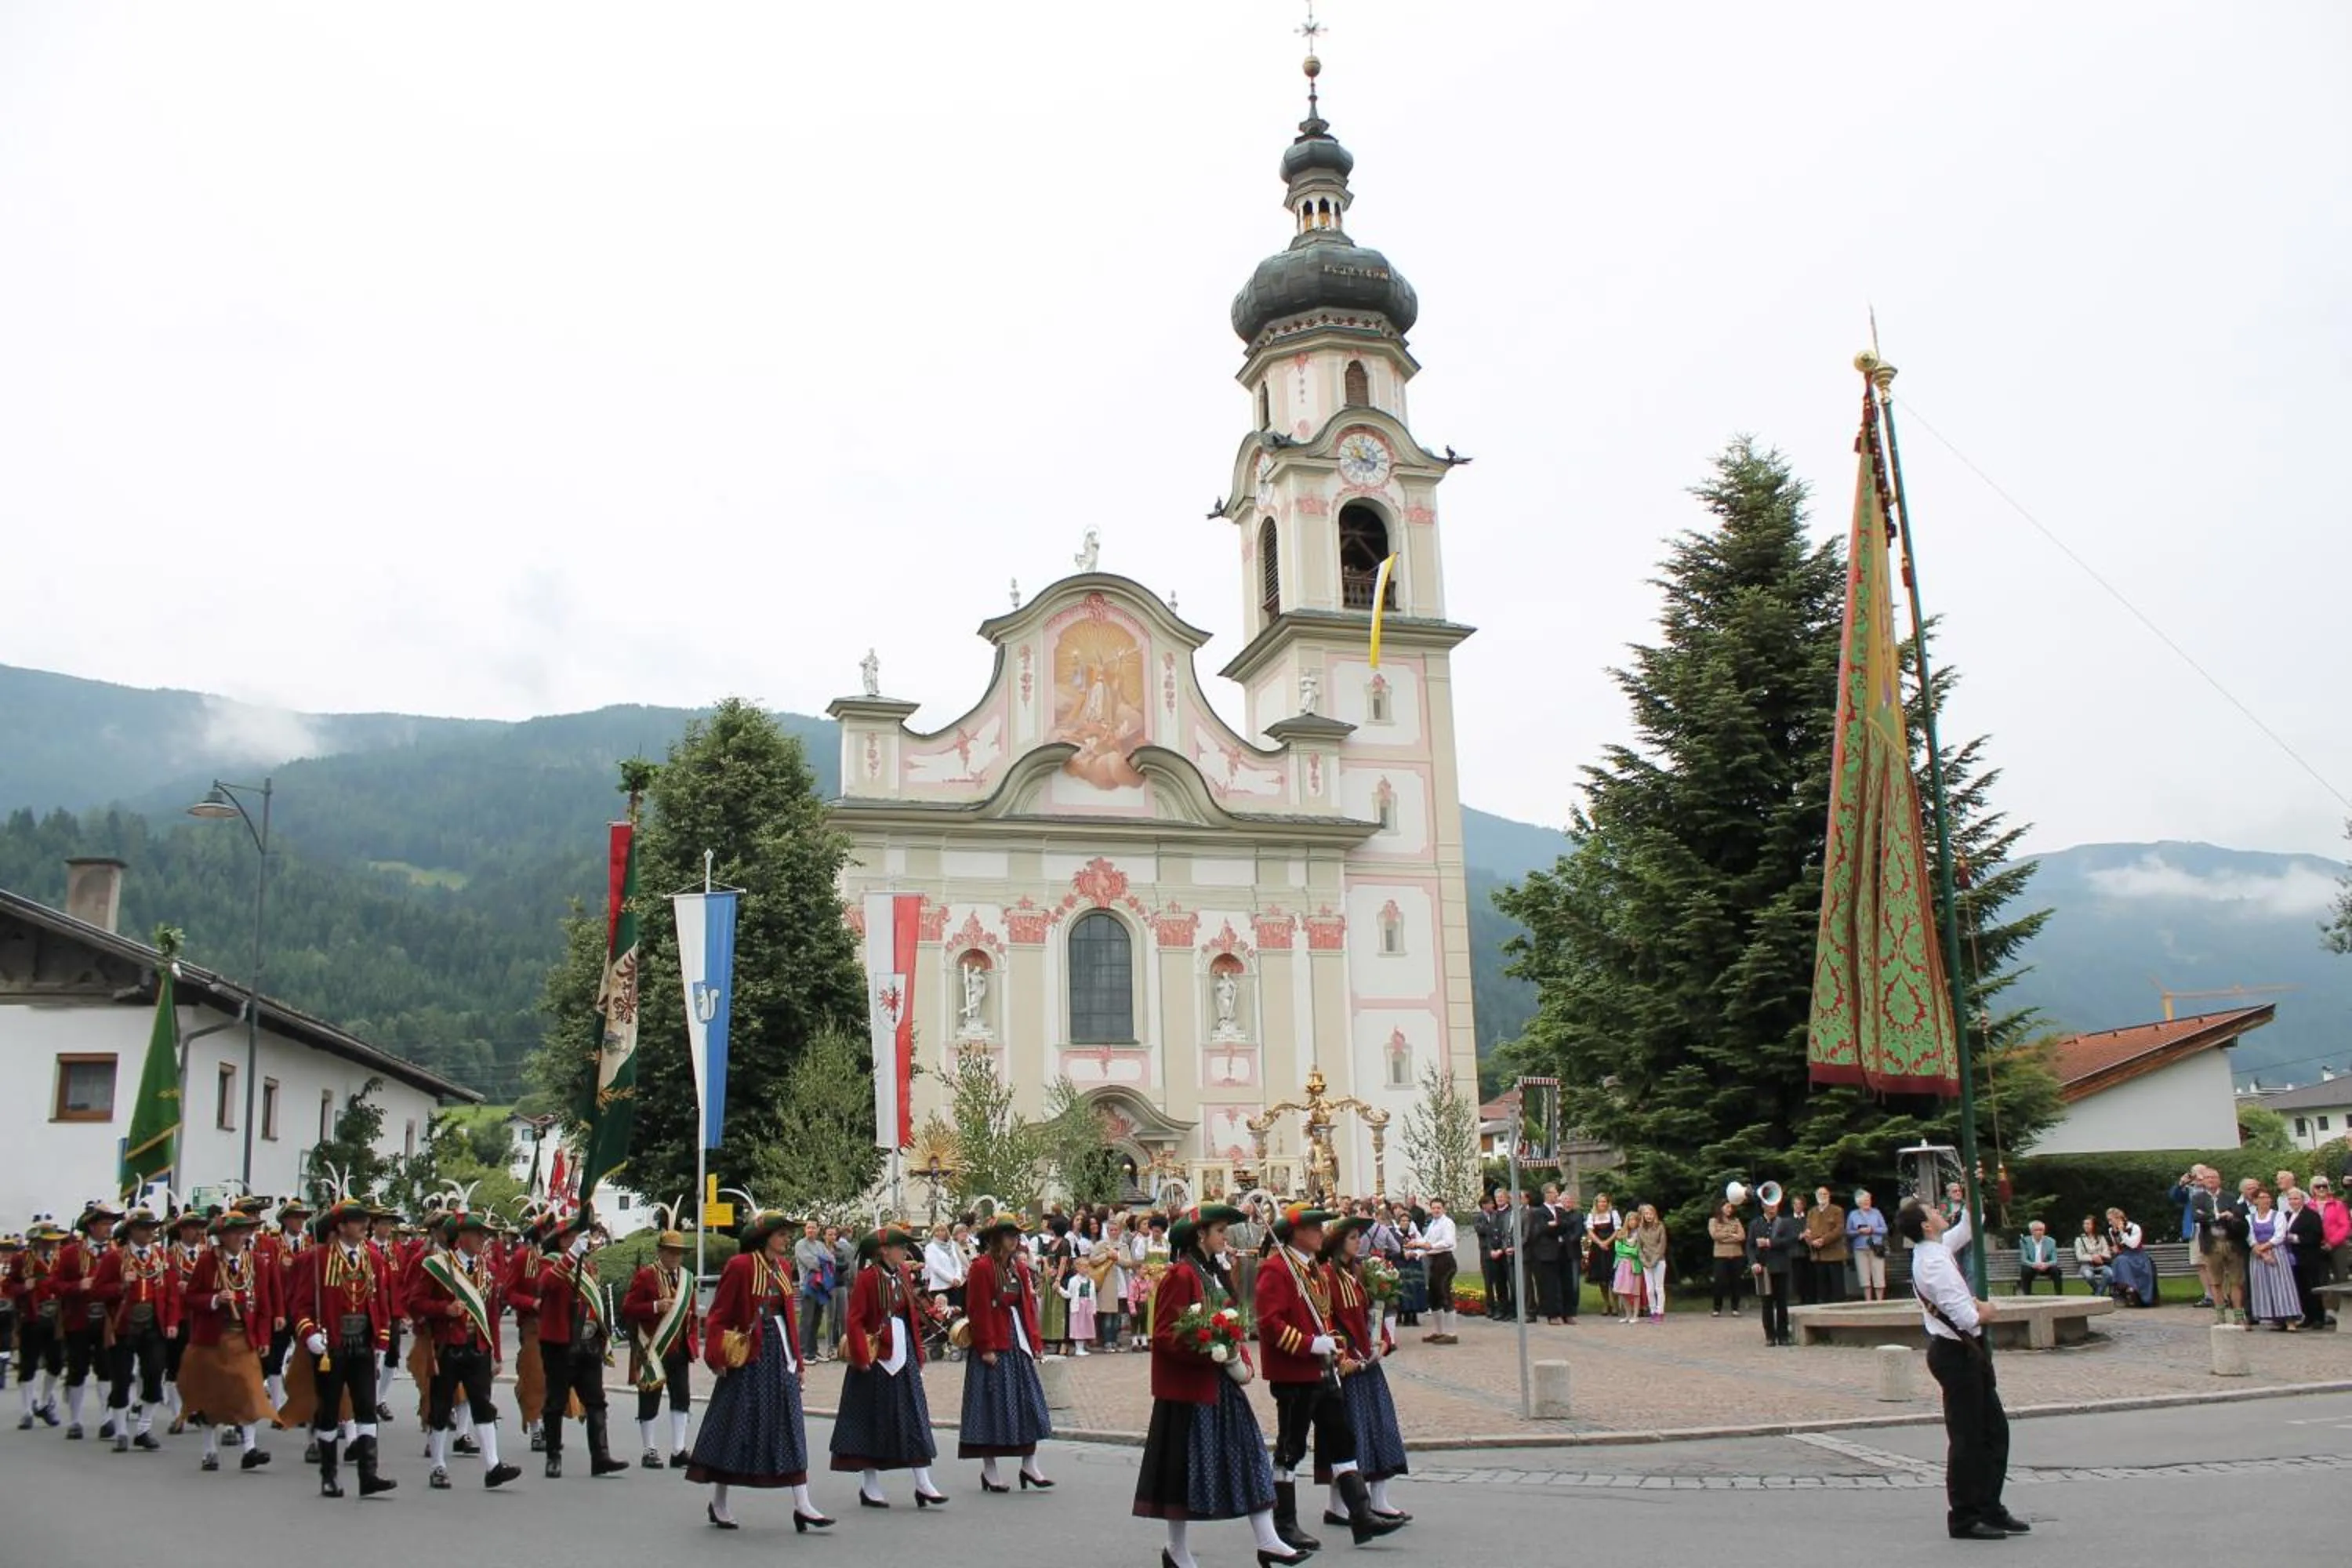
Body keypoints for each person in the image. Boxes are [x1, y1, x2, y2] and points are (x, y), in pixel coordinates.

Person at [1134, 1203, 1308, 1568]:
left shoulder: (1211, 1273)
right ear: (1201, 1235)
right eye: (1220, 1232)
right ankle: (1176, 1549)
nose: (1224, 1238)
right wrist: (1211, 1349)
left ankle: (1269, 1540)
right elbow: (1165, 1335)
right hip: (1189, 1390)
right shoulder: (1181, 1275)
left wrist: (1234, 1355)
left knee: (1249, 1456)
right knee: (1180, 1472)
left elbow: (1228, 1324)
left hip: (1220, 1385)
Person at [1258, 1203, 1399, 1551]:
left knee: (1342, 1439)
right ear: (1297, 1233)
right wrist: (1310, 1344)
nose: (1323, 1233)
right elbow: (1270, 1324)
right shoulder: (1277, 1269)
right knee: (1290, 1449)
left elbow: (1325, 1316)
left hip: (1323, 1370)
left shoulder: (1311, 1270)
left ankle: (1361, 1514)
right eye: (1316, 1227)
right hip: (1294, 1373)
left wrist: (1334, 1344)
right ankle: (1285, 1523)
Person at [687, 1208, 830, 1533]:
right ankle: (720, 1501)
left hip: (779, 1352)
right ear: (765, 1237)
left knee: (790, 1421)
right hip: (748, 1354)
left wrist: (798, 1360)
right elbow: (719, 1315)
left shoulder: (782, 1266)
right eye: (781, 1234)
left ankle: (802, 1503)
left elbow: (790, 1318)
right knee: (735, 1422)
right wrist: (717, 1357)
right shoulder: (739, 1267)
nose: (786, 1238)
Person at [1898, 1200, 2023, 1541]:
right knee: (1968, 1438)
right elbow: (1968, 1317)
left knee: (1993, 1432)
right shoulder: (1932, 1264)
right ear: (1926, 1226)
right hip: (1956, 1354)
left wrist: (1971, 1191)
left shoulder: (1935, 1249)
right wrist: (1988, 1310)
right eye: (1932, 1211)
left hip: (1965, 1353)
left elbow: (1968, 1227)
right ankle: (1965, 1517)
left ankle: (1989, 1507)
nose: (1939, 1211)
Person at [284, 1194, 398, 1497]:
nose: (365, 1226)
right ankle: (329, 1476)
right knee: (329, 1410)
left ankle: (368, 1475)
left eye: (366, 1221)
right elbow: (300, 1304)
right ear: (342, 1226)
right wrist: (309, 1333)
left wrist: (383, 1336)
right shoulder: (317, 1258)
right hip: (330, 1345)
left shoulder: (373, 1258)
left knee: (366, 1408)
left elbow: (379, 1300)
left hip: (362, 1342)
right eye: (359, 1221)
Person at [829, 1227, 946, 1507]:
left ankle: (923, 1482)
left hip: (902, 1349)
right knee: (872, 1417)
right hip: (875, 1354)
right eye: (900, 1246)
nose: (905, 1251)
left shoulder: (904, 1274)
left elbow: (910, 1316)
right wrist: (861, 1357)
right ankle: (870, 1486)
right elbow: (855, 1320)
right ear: (883, 1251)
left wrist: (918, 1352)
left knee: (913, 1414)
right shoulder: (868, 1279)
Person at [408, 1208, 521, 1490]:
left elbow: (492, 1314)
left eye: (483, 1234)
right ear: (461, 1238)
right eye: (477, 1234)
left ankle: (493, 1465)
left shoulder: (489, 1270)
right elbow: (416, 1303)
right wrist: (443, 1309)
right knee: (441, 1406)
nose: (483, 1239)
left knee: (484, 1405)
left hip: (477, 1346)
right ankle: (437, 1465)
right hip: (448, 1346)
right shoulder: (437, 1266)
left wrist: (495, 1353)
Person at [1318, 1215, 1410, 1530]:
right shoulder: (1327, 1275)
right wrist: (1342, 1356)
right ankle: (1338, 1505)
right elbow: (1326, 1320)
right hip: (1347, 1365)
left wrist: (1383, 1342)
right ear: (1339, 1241)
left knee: (1380, 1427)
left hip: (1367, 1360)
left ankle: (1379, 1498)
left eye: (1360, 1236)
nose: (1359, 1242)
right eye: (1353, 1237)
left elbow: (1373, 1310)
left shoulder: (1357, 1271)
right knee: (1349, 1435)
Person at [959, 1216, 1053, 1493]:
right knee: (991, 1405)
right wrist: (985, 1347)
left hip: (1017, 1339)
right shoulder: (982, 1268)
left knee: (1028, 1401)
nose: (1015, 1240)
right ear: (995, 1239)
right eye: (1008, 1235)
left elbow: (1027, 1307)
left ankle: (1029, 1464)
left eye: (1016, 1236)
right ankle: (990, 1470)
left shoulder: (1018, 1268)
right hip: (995, 1340)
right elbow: (978, 1309)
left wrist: (1034, 1342)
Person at [535, 1208, 629, 1479]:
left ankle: (600, 1456)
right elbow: (547, 1284)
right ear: (564, 1240)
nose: (583, 1240)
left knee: (596, 1401)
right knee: (555, 1402)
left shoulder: (586, 1266)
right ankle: (553, 1456)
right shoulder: (549, 1262)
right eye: (576, 1236)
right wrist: (572, 1256)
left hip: (588, 1343)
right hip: (560, 1343)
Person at [178, 1211, 274, 1473]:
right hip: (214, 1338)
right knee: (211, 1396)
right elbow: (191, 1298)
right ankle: (209, 1451)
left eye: (243, 1232)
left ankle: (250, 1449)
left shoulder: (256, 1262)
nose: (240, 1237)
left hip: (244, 1335)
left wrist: (264, 1337)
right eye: (234, 1232)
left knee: (250, 1389)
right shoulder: (208, 1262)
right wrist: (214, 1299)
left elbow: (264, 1303)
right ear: (222, 1237)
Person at [93, 1205, 176, 1453]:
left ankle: (143, 1428)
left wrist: (172, 1322)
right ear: (131, 1231)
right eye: (144, 1228)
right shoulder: (115, 1258)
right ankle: (120, 1431)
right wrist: (119, 1286)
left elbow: (172, 1295)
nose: (150, 1232)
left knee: (153, 1374)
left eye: (152, 1228)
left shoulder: (162, 1257)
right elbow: (97, 1291)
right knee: (121, 1379)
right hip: (123, 1326)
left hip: (153, 1325)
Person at [622, 1226, 699, 1468]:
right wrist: (655, 1306)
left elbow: (692, 1315)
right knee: (649, 1398)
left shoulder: (687, 1277)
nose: (675, 1257)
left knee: (681, 1398)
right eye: (671, 1252)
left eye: (679, 1253)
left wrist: (693, 1344)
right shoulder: (645, 1276)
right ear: (660, 1252)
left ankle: (678, 1450)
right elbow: (628, 1309)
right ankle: (649, 1449)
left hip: (679, 1348)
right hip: (653, 1346)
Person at [53, 1200, 122, 1440]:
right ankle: (75, 1420)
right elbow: (56, 1285)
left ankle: (106, 1418)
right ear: (91, 1226)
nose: (109, 1228)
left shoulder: (117, 1252)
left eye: (111, 1224)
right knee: (77, 1369)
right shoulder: (70, 1253)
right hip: (78, 1318)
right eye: (104, 1224)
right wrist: (76, 1286)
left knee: (106, 1369)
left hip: (107, 1320)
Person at [8, 1219, 66, 1428]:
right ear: (37, 1241)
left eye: (53, 1241)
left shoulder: (61, 1258)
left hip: (55, 1317)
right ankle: (26, 1411)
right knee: (29, 1364)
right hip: (32, 1316)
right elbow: (9, 1286)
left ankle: (43, 1402)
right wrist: (24, 1287)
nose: (51, 1245)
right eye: (46, 1241)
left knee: (56, 1363)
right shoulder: (21, 1259)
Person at [503, 1210, 549, 1450]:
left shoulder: (558, 1259)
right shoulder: (523, 1257)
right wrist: (532, 1303)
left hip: (557, 1325)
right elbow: (508, 1293)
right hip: (532, 1325)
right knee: (534, 1375)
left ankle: (550, 1424)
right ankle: (535, 1428)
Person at [1745, 1192, 1798, 1348]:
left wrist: (1769, 1242)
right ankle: (1770, 1335)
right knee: (1766, 1303)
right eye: (1769, 1205)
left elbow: (1790, 1241)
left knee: (1782, 1302)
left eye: (1774, 1205)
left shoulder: (1785, 1223)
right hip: (1763, 1268)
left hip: (1781, 1266)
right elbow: (1750, 1246)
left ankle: (1783, 1335)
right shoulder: (1755, 1224)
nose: (1772, 1208)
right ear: (1763, 1206)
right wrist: (1753, 1262)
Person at [2245, 1190, 2300, 1329]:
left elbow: (2280, 1235)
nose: (2266, 1200)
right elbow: (2250, 1237)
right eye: (2262, 1197)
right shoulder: (2249, 1218)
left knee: (2282, 1285)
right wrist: (2262, 1252)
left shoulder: (2279, 1215)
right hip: (2258, 1255)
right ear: (2255, 1201)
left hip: (2276, 1252)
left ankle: (2290, 1319)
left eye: (2268, 1197)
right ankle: (2275, 1318)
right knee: (2264, 1286)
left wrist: (2266, 1247)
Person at [1408, 1197, 1459, 1345]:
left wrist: (1430, 1247)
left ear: (1444, 1209)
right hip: (1435, 1262)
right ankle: (1439, 1331)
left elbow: (1448, 1242)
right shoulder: (1432, 1224)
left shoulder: (1447, 1223)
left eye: (1439, 1208)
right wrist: (1416, 1252)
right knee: (1434, 1297)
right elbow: (1426, 1242)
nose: (1436, 1210)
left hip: (1445, 1261)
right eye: (1434, 1208)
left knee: (1445, 1294)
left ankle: (1451, 1333)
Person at [2281, 1188, 2328, 1330]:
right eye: (2291, 1199)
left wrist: (2296, 1238)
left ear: (2302, 1200)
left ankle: (2319, 1317)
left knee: (2311, 1287)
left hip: (2309, 1256)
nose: (2293, 1202)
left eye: (2296, 1199)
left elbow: (2317, 1236)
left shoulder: (2311, 1215)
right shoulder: (2286, 1215)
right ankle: (2307, 1316)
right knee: (2300, 1287)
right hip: (2292, 1257)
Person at [794, 1221, 835, 1361]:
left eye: (813, 1228)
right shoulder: (800, 1245)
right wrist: (824, 1261)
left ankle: (813, 1351)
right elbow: (811, 1263)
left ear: (818, 1230)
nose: (811, 1230)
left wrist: (825, 1261)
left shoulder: (820, 1245)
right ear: (805, 1230)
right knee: (806, 1320)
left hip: (821, 1287)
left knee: (817, 1320)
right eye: (808, 1227)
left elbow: (832, 1260)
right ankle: (802, 1353)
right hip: (808, 1287)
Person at [2105, 1209, 2158, 1307]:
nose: (2110, 1223)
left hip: (2137, 1257)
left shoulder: (2134, 1228)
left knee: (2120, 1261)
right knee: (2119, 1260)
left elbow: (2133, 1245)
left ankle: (2132, 1290)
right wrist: (2115, 1248)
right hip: (2124, 1256)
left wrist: (2122, 1232)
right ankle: (2124, 1290)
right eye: (2109, 1220)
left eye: (2111, 1220)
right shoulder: (2111, 1230)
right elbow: (2118, 1246)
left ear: (2119, 1218)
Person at [1806, 1187, 1849, 1305]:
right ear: (1816, 1196)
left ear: (1829, 1196)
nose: (1822, 1196)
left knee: (1837, 1286)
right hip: (1818, 1255)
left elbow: (1839, 1230)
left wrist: (1823, 1240)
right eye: (1820, 1194)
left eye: (1825, 1194)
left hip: (1834, 1254)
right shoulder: (1812, 1212)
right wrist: (1811, 1241)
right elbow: (1807, 1230)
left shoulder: (1837, 1210)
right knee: (1822, 1287)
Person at [1847, 1191, 1889, 1302]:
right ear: (1858, 1202)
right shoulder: (1853, 1214)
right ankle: (1868, 1301)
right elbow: (1848, 1232)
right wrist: (1859, 1231)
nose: (1867, 1202)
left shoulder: (1877, 1213)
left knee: (1879, 1273)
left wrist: (1872, 1230)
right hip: (1860, 1248)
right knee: (1864, 1275)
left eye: (1868, 1200)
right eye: (1864, 1201)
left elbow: (1885, 1229)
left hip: (1876, 1248)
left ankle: (1880, 1301)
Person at [1707, 1201, 1746, 1316]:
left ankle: (1735, 1308)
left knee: (1736, 1282)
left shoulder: (1736, 1221)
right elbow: (1715, 1236)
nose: (1730, 1209)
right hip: (1721, 1256)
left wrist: (1725, 1236)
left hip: (1736, 1255)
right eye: (1727, 1207)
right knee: (1719, 1282)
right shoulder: (1713, 1221)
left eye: (1731, 1207)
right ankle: (1717, 1308)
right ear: (1721, 1207)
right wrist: (1732, 1235)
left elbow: (1742, 1236)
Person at [2016, 1222, 2064, 1294]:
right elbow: (2024, 1259)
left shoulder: (2051, 1241)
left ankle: (2059, 1294)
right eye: (2036, 1230)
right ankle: (2027, 1294)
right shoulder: (2025, 1241)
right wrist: (2033, 1264)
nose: (2039, 1232)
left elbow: (2054, 1260)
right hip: (2032, 1266)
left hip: (2045, 1267)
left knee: (2056, 1270)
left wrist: (2046, 1264)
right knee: (2025, 1270)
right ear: (2031, 1231)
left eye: (2041, 1230)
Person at [2072, 1218, 2114, 1297]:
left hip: (2101, 1264)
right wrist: (2092, 1257)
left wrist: (2100, 1256)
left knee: (2110, 1273)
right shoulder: (2079, 1239)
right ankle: (2099, 1293)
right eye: (2084, 1224)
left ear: (2094, 1226)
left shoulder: (2101, 1238)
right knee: (2089, 1276)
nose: (2085, 1226)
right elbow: (2079, 1256)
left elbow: (2107, 1254)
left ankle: (2098, 1295)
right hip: (2086, 1265)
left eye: (2088, 1224)